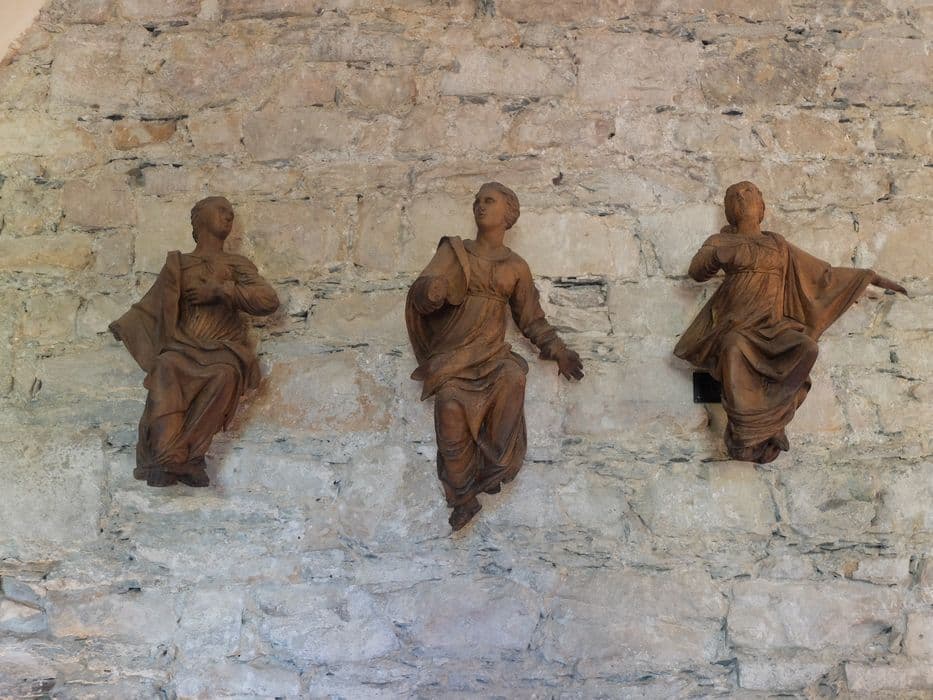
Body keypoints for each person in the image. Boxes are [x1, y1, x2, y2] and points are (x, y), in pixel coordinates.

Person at [674, 181, 907, 463]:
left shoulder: (777, 244)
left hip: (772, 327)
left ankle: (773, 419)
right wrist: (716, 257)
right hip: (735, 326)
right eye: (734, 195)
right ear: (728, 209)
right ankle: (745, 434)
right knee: (733, 349)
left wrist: (869, 277)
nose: (742, 197)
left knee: (806, 348)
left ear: (761, 206)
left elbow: (823, 275)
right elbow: (697, 272)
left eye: (749, 192)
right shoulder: (720, 241)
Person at [406, 182, 584, 530]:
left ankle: (493, 466)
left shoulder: (516, 267)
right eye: (477, 201)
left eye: (489, 201)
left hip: (491, 355)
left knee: (514, 376)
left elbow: (531, 319)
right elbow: (422, 295)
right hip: (455, 357)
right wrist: (431, 291)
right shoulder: (455, 252)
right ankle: (462, 496)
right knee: (449, 407)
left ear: (508, 213)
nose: (480, 206)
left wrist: (559, 351)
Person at [111, 196, 279, 487]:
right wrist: (125, 326)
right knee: (165, 366)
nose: (229, 216)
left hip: (224, 349)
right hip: (183, 345)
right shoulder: (179, 265)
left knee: (225, 375)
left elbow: (268, 300)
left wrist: (222, 291)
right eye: (221, 210)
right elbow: (150, 307)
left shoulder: (236, 264)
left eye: (231, 212)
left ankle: (188, 455)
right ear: (200, 218)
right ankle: (165, 455)